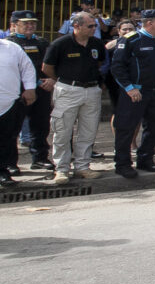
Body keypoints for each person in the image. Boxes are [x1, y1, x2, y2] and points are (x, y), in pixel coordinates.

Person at [42, 11, 106, 183]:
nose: (94, 29)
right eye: (90, 26)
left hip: (91, 90)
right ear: (76, 26)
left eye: (95, 26)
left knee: (88, 131)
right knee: (62, 131)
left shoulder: (96, 43)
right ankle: (61, 168)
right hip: (68, 90)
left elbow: (99, 62)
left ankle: (82, 167)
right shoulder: (60, 44)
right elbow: (47, 67)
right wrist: (62, 80)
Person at [110, 9, 155, 179]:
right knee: (126, 128)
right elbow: (117, 67)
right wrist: (129, 88)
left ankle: (145, 159)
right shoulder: (131, 39)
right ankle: (122, 164)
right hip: (134, 92)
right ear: (149, 22)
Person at [8, 11, 53, 172]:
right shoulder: (10, 44)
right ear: (14, 25)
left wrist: (52, 79)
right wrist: (33, 83)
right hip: (19, 91)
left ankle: (40, 158)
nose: (30, 26)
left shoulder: (42, 42)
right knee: (12, 129)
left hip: (42, 90)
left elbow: (52, 63)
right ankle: (9, 163)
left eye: (33, 23)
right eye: (25, 23)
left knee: (41, 126)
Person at [0, 34, 37, 187]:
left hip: (8, 103)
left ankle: (3, 172)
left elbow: (27, 68)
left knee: (6, 139)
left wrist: (30, 88)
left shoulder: (11, 47)